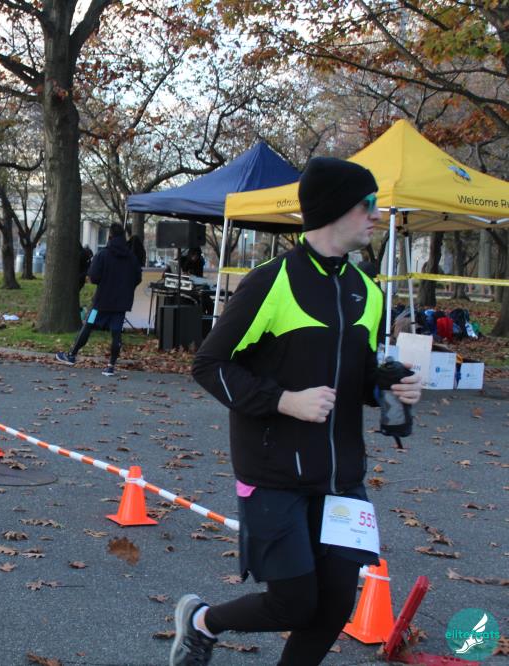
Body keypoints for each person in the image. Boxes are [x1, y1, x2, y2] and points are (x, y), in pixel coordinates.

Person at [172, 157, 423, 666]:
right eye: (368, 204)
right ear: (334, 208)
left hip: (341, 478)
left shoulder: (368, 291)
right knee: (294, 602)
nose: (377, 215)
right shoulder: (272, 281)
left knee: (334, 607)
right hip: (274, 473)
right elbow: (209, 364)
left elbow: (356, 378)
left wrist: (388, 388)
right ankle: (202, 622)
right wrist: (284, 401)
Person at [55, 223, 141, 377]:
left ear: (110, 236)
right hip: (122, 303)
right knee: (116, 333)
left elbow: (93, 277)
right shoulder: (131, 257)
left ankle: (72, 354)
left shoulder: (103, 255)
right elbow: (137, 278)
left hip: (101, 302)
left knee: (88, 325)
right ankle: (111, 365)